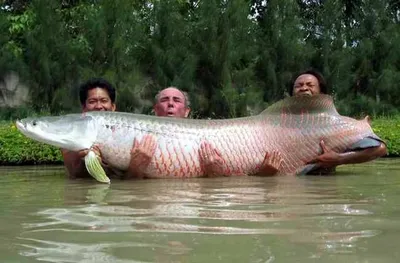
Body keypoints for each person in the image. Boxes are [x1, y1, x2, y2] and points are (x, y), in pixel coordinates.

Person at [290, 69, 387, 175]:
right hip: (288, 187)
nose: (304, 88)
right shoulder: (277, 126)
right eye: (298, 86)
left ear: (321, 92)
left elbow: (379, 149)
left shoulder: (336, 124)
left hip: (324, 186)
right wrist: (268, 170)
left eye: (309, 85)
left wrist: (340, 159)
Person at [61, 78, 116, 179]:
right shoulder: (70, 137)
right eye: (92, 101)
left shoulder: (124, 131)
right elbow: (75, 174)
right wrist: (84, 160)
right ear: (84, 108)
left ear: (113, 107)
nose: (99, 106)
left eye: (104, 101)